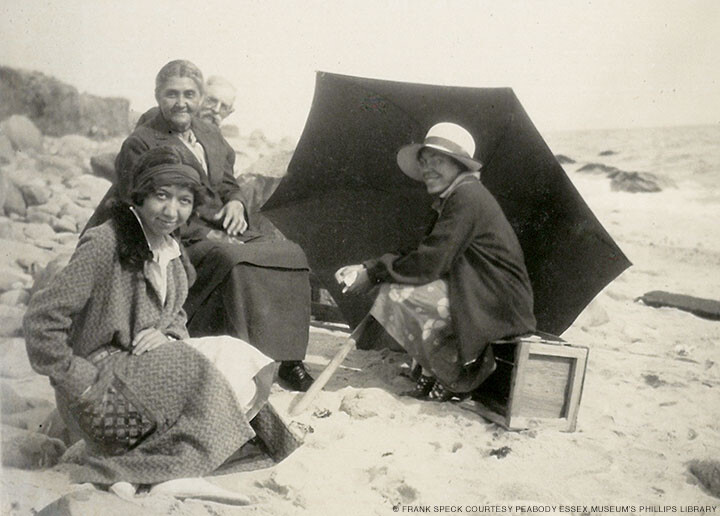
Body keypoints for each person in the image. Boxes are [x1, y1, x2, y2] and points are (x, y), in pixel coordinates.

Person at [23, 146, 297, 502]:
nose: (171, 211)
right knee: (192, 366)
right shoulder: (106, 241)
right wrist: (78, 379)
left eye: (184, 201)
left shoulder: (170, 247)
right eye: (161, 196)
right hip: (100, 392)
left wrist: (166, 331)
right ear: (140, 195)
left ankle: (166, 469)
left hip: (138, 375)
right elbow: (42, 321)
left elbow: (176, 313)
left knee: (245, 358)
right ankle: (167, 468)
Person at [87, 60, 315, 391]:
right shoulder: (142, 142)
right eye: (171, 94)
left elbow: (226, 182)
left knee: (290, 253)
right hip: (173, 235)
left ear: (200, 97)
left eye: (189, 94)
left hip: (219, 227)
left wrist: (236, 202)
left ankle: (289, 359)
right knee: (232, 259)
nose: (181, 102)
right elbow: (146, 206)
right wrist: (207, 232)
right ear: (158, 96)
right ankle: (243, 360)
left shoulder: (210, 135)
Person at [337, 122, 536, 401]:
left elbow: (429, 263)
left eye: (437, 161)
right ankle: (434, 370)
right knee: (401, 291)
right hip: (479, 291)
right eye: (424, 162)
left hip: (497, 301)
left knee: (400, 293)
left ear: (459, 164)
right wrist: (371, 267)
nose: (428, 169)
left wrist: (374, 275)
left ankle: (454, 377)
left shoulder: (467, 197)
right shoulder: (457, 196)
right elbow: (424, 250)